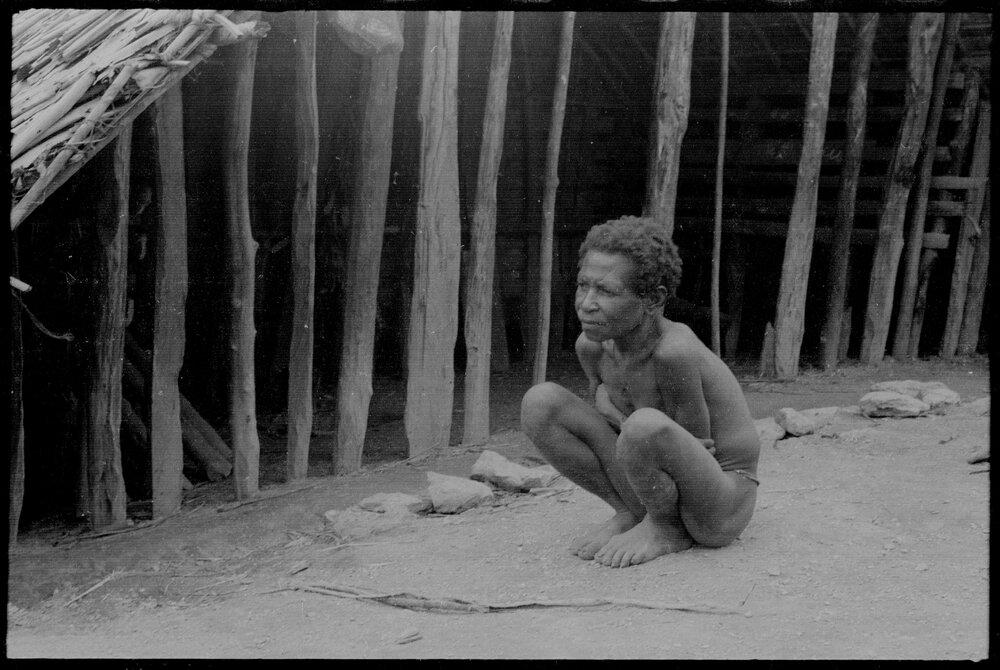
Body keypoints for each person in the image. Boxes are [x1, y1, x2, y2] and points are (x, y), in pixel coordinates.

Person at [520, 216, 760, 568]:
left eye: (606, 291)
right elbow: (611, 425)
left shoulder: (673, 352)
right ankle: (629, 511)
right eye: (583, 285)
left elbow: (697, 449)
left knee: (644, 424)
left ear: (653, 298)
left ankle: (665, 529)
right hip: (657, 477)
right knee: (541, 403)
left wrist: (619, 414)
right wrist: (618, 416)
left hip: (719, 501)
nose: (586, 303)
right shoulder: (592, 346)